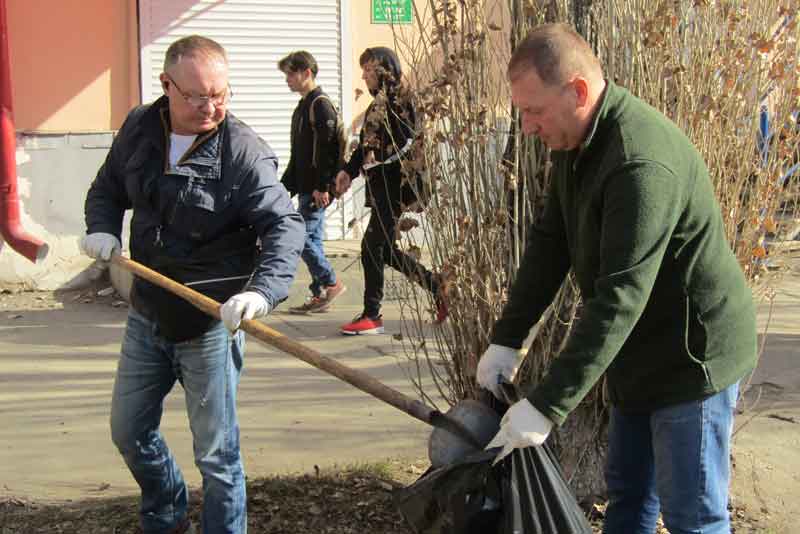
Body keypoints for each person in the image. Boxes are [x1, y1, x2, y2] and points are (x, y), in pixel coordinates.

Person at [476, 23, 757, 534]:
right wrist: (506, 338)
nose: (527, 126)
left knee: (693, 515)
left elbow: (619, 297)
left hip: (691, 360)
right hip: (637, 353)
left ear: (578, 91)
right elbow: (550, 243)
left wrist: (546, 406)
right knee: (628, 500)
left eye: (533, 110)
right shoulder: (576, 143)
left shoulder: (638, 161)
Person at [81, 35, 304, 534]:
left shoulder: (242, 152)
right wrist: (101, 226)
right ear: (166, 85)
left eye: (221, 95)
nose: (211, 107)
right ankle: (165, 512)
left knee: (217, 456)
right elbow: (107, 188)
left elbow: (284, 227)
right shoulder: (141, 127)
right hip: (147, 313)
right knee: (129, 430)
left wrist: (262, 292)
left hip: (209, 323)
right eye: (198, 96)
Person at [334, 46, 447, 335]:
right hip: (382, 186)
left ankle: (372, 315)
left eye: (369, 70)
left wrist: (378, 161)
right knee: (382, 250)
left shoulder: (402, 101)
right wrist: (349, 169)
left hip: (397, 186)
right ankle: (438, 287)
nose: (363, 76)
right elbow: (367, 145)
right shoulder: (378, 105)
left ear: (386, 70)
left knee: (371, 246)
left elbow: (407, 141)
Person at [278, 50, 346, 314]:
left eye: (291, 74)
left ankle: (331, 283)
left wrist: (323, 186)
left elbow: (327, 151)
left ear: (307, 72)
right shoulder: (303, 105)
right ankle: (319, 294)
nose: (287, 80)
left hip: (317, 190)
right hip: (306, 188)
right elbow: (301, 153)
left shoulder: (320, 104)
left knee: (298, 238)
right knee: (312, 241)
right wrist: (285, 187)